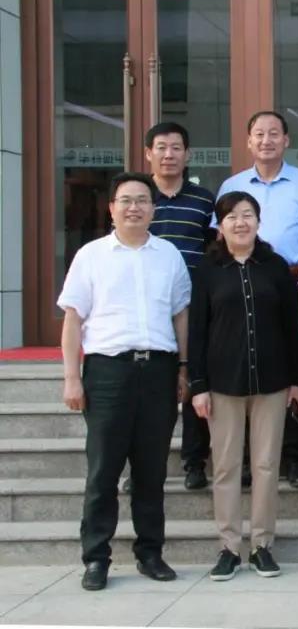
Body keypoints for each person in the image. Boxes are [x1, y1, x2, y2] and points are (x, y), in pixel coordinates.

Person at [57, 172, 191, 591]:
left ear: (153, 208)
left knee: (151, 471)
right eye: (126, 200)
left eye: (142, 200)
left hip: (158, 371)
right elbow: (73, 319)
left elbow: (181, 315)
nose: (134, 207)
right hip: (108, 373)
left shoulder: (168, 255)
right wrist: (71, 377)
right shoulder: (91, 256)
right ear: (111, 208)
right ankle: (96, 558)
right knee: (103, 470)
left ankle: (150, 553)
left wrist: (183, 368)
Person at [188, 192, 298, 581]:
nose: (240, 223)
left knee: (266, 465)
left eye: (247, 215)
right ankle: (228, 546)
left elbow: (293, 328)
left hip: (273, 382)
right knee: (224, 466)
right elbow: (197, 331)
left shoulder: (275, 266)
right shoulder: (207, 270)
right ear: (220, 226)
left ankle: (261, 545)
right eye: (231, 217)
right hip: (222, 384)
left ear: (258, 220)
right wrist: (198, 385)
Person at [216, 111, 298, 489]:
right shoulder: (232, 185)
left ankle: (297, 458)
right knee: (248, 364)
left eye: (274, 134)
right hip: (243, 278)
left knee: (296, 364)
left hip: (294, 281)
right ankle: (248, 459)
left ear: (286, 140)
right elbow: (221, 237)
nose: (266, 140)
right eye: (259, 134)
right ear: (248, 141)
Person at [144, 121, 216, 492]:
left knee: (193, 383)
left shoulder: (204, 200)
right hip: (149, 307)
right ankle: (144, 467)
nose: (168, 154)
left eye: (176, 148)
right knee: (152, 392)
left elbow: (212, 248)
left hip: (193, 305)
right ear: (148, 154)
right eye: (161, 147)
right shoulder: (138, 196)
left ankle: (194, 462)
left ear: (187, 154)